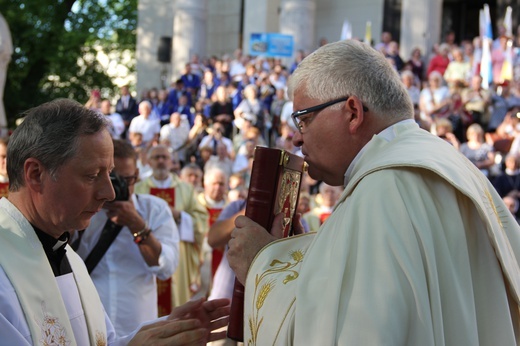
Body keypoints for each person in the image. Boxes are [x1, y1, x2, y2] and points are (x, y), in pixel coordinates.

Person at [226, 40, 520, 345]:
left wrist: (262, 265)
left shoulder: (384, 188)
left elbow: (351, 333)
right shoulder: (451, 164)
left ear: (353, 112)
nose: (297, 138)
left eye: (304, 119)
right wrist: (301, 258)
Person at [0, 99, 230, 345]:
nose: (109, 193)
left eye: (110, 175)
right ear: (36, 174)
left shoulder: (66, 255)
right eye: (92, 176)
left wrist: (164, 332)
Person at [74, 139, 179, 336]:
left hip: (136, 325)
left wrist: (137, 225)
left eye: (126, 180)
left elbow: (167, 268)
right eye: (112, 179)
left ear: (137, 175)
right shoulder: (80, 211)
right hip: (89, 325)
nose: (114, 190)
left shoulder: (154, 210)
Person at [135, 145, 209, 308]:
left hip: (177, 252)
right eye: (156, 157)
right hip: (145, 252)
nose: (161, 161)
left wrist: (180, 215)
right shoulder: (139, 188)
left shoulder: (185, 189)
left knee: (175, 300)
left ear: (171, 162)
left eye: (164, 157)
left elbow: (202, 219)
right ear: (148, 161)